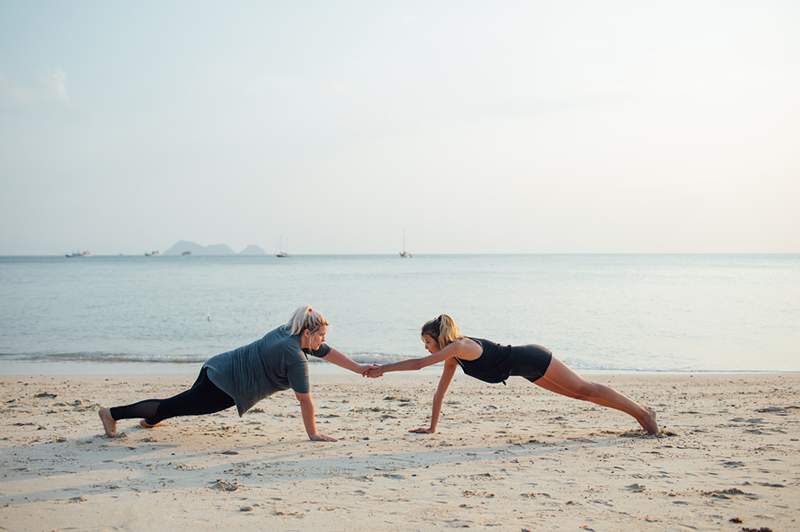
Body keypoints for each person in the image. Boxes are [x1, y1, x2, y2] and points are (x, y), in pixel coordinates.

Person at [98, 306, 370, 441]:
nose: (323, 340)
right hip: (225, 386)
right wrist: (314, 434)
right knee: (180, 405)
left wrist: (359, 369)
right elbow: (305, 400)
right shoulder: (296, 357)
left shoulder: (289, 332)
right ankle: (113, 414)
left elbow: (327, 352)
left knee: (182, 403)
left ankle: (148, 421)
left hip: (218, 366)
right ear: (308, 333)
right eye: (321, 335)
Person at [366, 314, 659, 435]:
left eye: (428, 343)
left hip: (531, 357)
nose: (427, 349)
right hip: (526, 370)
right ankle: (641, 413)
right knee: (583, 395)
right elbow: (440, 391)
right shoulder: (454, 356)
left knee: (585, 389)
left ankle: (643, 414)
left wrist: (382, 369)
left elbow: (417, 365)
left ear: (438, 339)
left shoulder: (461, 346)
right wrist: (432, 428)